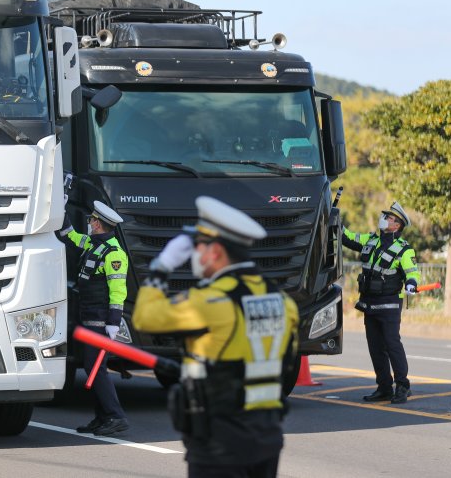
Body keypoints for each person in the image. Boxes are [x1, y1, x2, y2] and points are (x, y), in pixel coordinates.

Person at [132, 196, 298, 478]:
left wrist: (162, 266)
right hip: (267, 436)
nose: (194, 253)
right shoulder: (283, 302)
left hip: (219, 443)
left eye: (198, 246)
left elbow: (144, 318)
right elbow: (287, 364)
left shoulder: (209, 302)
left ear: (216, 251)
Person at [58, 200, 130, 436]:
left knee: (94, 367)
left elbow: (118, 291)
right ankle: (103, 417)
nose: (88, 223)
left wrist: (113, 321)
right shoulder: (94, 244)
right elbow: (70, 236)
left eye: (91, 220)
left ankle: (116, 416)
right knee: (95, 368)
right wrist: (61, 208)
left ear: (97, 224)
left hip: (101, 322)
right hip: (88, 317)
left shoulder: (114, 254)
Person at [342, 201, 420, 404]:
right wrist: (334, 219)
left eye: (389, 217)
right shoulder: (370, 239)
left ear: (397, 226)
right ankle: (384, 387)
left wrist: (412, 283)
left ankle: (403, 386)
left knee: (392, 344)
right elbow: (347, 237)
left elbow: (412, 272)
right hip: (369, 303)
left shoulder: (404, 250)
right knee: (375, 347)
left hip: (389, 305)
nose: (384, 218)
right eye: (385, 215)